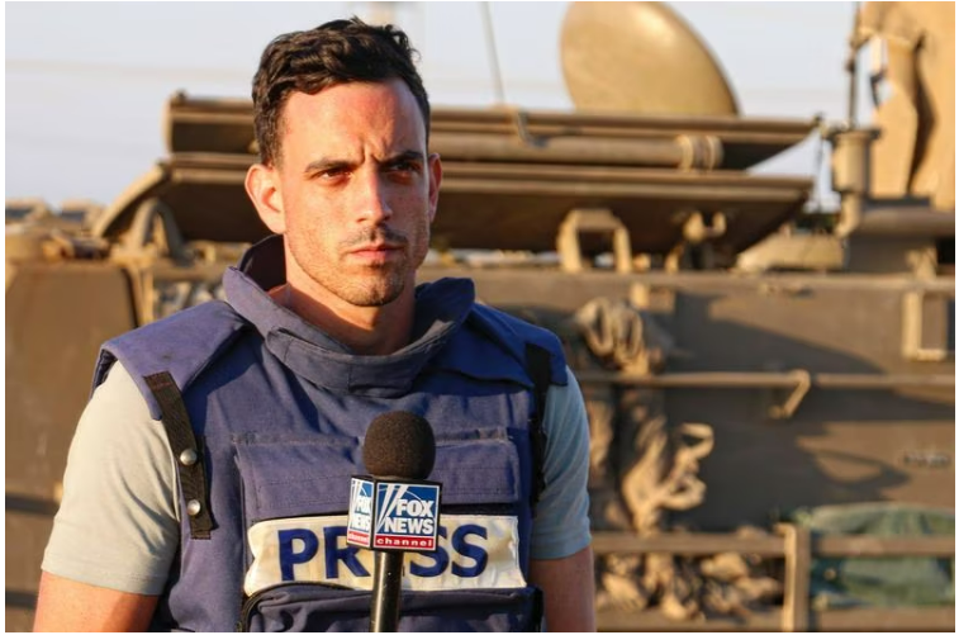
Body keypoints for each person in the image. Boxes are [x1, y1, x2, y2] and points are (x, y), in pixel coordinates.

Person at [34, 17, 595, 632]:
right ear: (270, 197)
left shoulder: (532, 389)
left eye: (399, 169)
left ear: (432, 187)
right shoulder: (161, 402)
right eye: (334, 173)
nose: (374, 207)